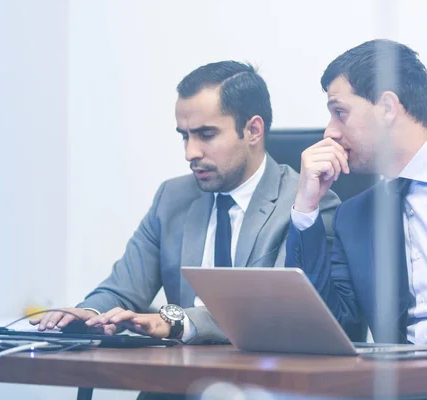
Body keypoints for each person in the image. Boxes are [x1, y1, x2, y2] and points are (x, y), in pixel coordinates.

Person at [31, 60, 340, 346]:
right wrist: (88, 313)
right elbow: (123, 288)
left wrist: (177, 322)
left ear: (253, 130)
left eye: (206, 135)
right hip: (180, 381)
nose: (190, 152)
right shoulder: (172, 198)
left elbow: (273, 312)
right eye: (184, 136)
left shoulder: (305, 203)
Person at [287, 39, 427, 351]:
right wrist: (306, 208)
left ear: (387, 108)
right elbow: (327, 330)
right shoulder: (353, 216)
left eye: (340, 112)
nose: (330, 131)